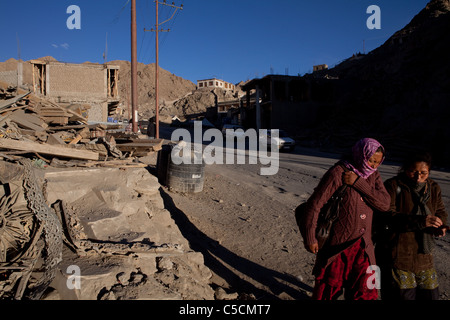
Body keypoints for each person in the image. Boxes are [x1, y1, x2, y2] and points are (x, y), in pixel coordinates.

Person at [300, 138, 390, 300]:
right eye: (371, 160)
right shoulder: (338, 172)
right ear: (360, 155)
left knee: (366, 292)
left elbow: (384, 204)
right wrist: (310, 237)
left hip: (364, 247)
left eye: (378, 162)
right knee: (328, 291)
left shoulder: (374, 176)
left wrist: (359, 183)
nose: (374, 165)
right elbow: (314, 204)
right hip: (338, 247)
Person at [380, 151, 448, 300]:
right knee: (402, 296)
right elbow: (386, 216)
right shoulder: (393, 185)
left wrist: (440, 225)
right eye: (413, 172)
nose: (418, 177)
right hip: (398, 253)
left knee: (430, 295)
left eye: (423, 173)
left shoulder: (433, 187)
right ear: (405, 169)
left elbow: (440, 210)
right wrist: (420, 221)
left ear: (429, 171)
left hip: (424, 256)